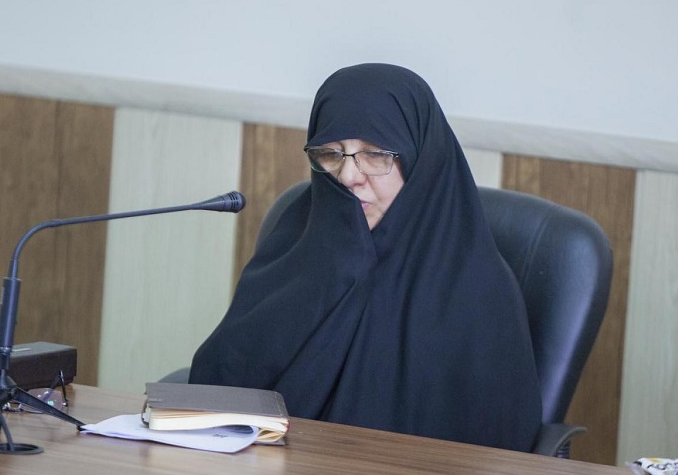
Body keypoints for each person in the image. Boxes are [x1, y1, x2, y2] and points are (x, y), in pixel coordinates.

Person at [190, 63, 542, 452]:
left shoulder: (479, 292)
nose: (348, 177)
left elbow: (490, 453)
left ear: (421, 161)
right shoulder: (293, 247)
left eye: (375, 154)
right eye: (330, 153)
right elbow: (215, 389)